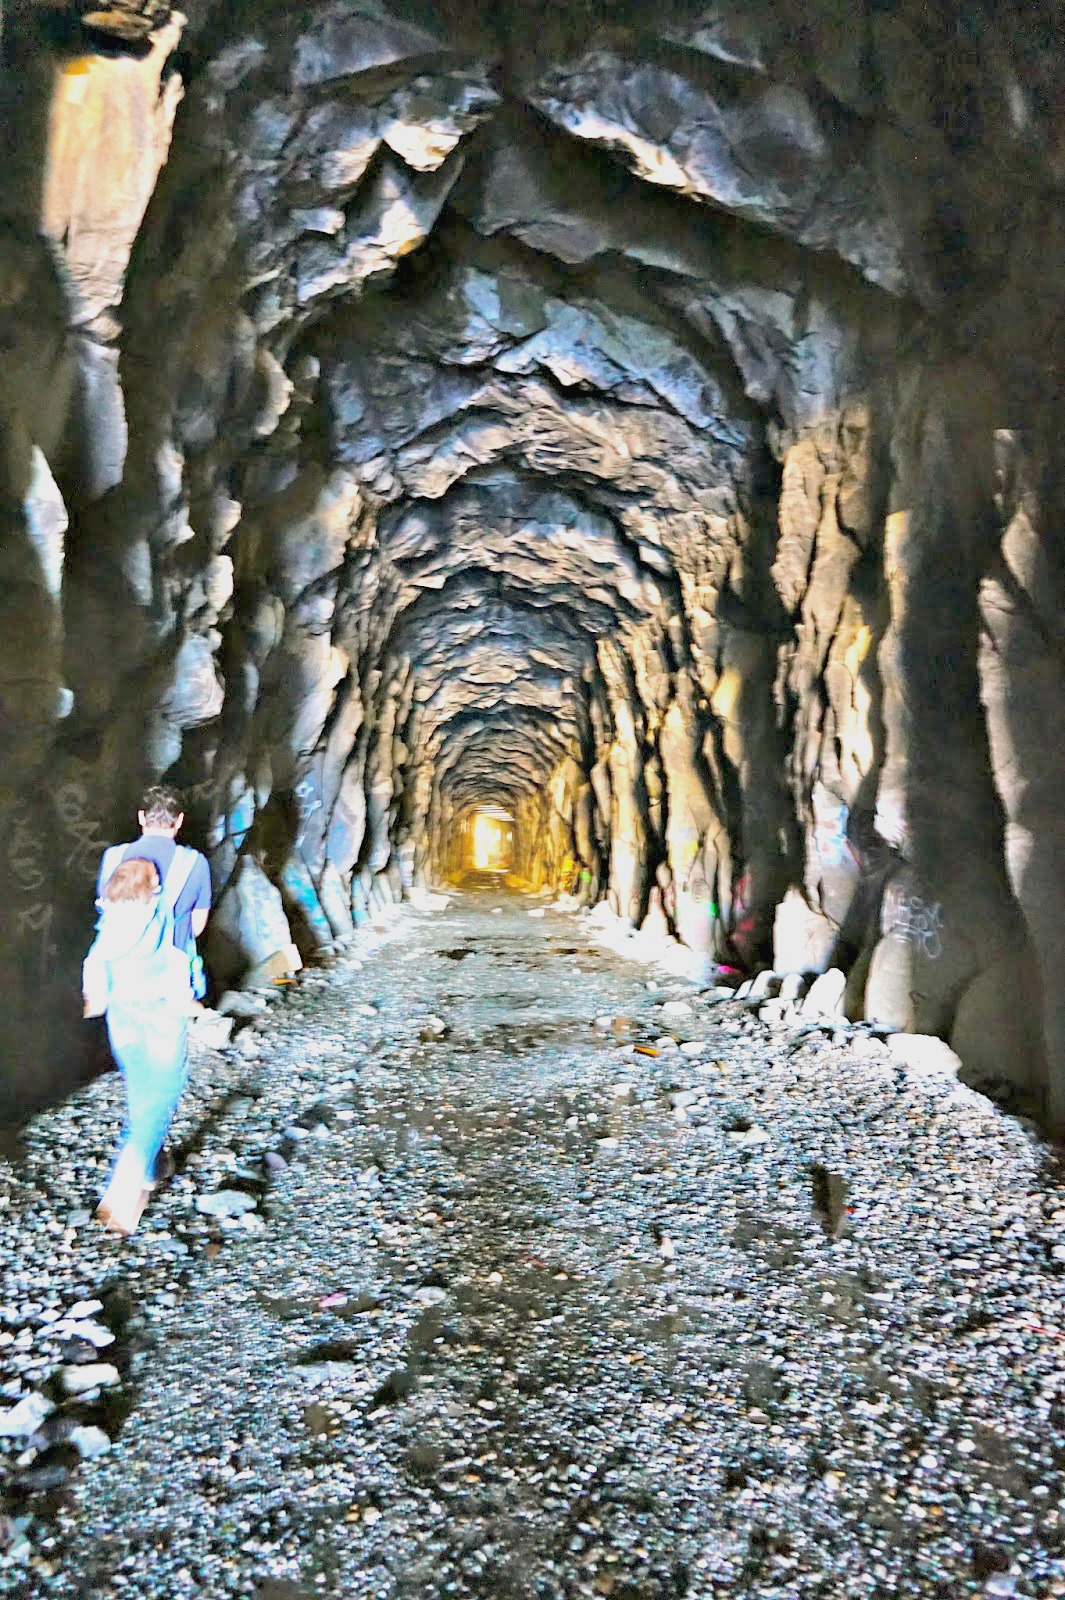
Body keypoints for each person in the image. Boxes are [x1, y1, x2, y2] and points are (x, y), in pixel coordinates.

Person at [83, 858, 200, 1235]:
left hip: (123, 1021)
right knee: (160, 1099)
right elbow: (178, 959)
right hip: (161, 1018)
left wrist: (95, 997)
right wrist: (189, 1001)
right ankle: (122, 1193)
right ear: (151, 889)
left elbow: (95, 965)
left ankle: (150, 1169)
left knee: (141, 1093)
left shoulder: (108, 924)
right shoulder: (160, 918)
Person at [97, 785, 211, 997]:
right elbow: (197, 926)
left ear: (141, 817)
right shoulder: (195, 863)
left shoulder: (113, 857)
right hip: (172, 979)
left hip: (120, 977)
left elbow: (106, 910)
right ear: (179, 821)